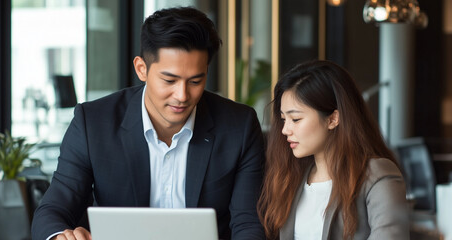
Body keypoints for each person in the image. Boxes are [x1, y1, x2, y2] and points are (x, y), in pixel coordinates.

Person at [31, 7, 265, 240]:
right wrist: (59, 236)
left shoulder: (239, 126)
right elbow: (54, 209)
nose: (182, 95)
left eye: (195, 81)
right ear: (142, 69)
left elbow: (248, 223)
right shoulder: (92, 123)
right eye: (169, 80)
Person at [257, 60, 409, 240]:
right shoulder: (292, 177)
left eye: (296, 119)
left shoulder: (376, 175)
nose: (285, 130)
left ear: (333, 119)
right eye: (283, 119)